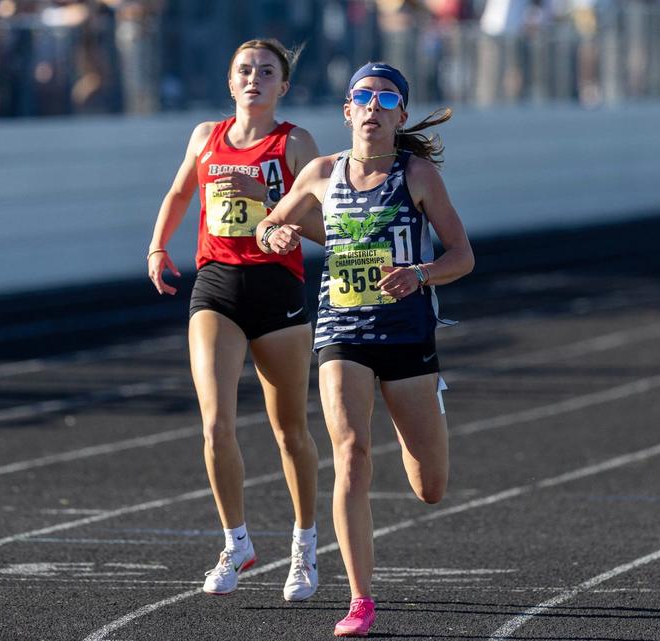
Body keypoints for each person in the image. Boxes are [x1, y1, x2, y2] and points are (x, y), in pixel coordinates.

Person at [254, 62, 474, 637]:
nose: (372, 109)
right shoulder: (323, 174)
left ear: (400, 115)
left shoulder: (418, 174)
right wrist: (274, 232)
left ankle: (421, 413)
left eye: (385, 100)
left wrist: (421, 274)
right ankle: (359, 599)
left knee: (431, 488)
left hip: (406, 337)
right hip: (341, 334)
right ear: (347, 111)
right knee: (350, 453)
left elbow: (462, 256)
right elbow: (271, 223)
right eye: (362, 98)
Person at [146, 38, 323, 601]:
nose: (254, 79)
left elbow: (327, 228)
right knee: (216, 422)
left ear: (282, 86)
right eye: (244, 70)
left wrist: (269, 196)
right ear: (230, 82)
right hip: (216, 285)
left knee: (288, 430)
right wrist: (157, 247)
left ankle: (304, 547)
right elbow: (179, 192)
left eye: (266, 72)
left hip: (278, 293)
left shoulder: (295, 143)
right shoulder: (205, 136)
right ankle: (237, 541)